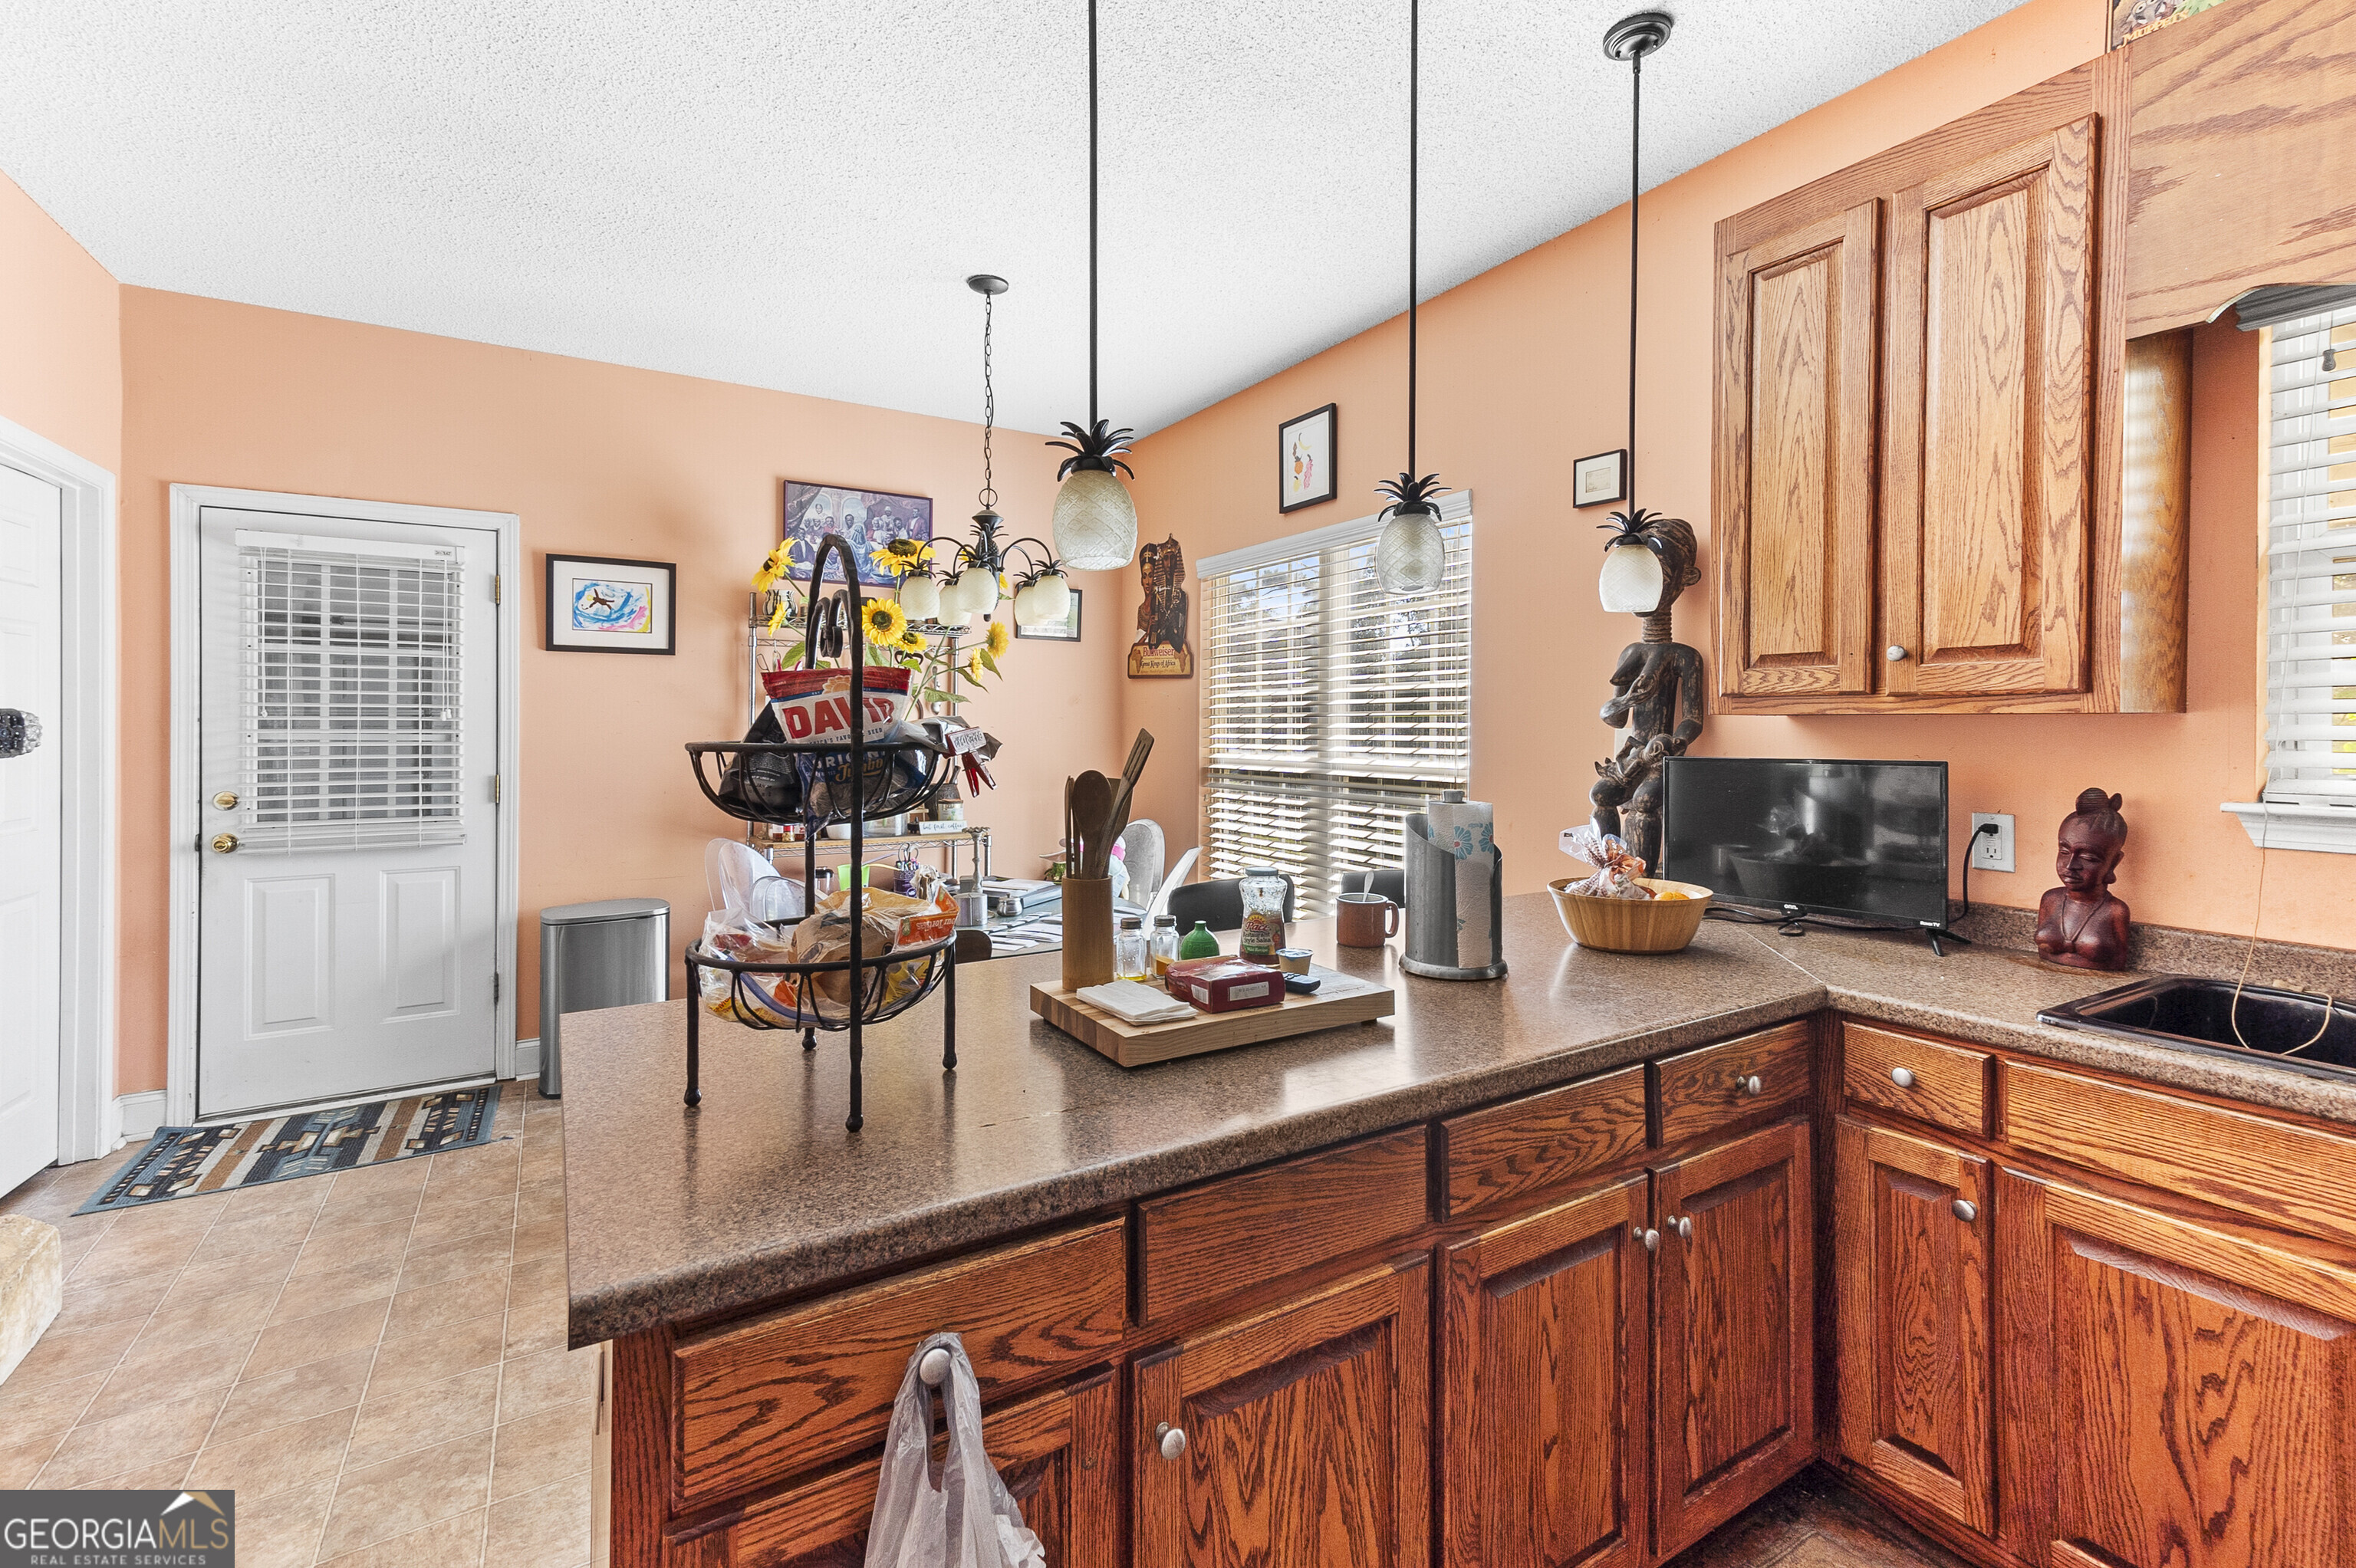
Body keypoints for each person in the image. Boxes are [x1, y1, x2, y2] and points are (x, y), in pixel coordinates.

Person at [2035, 788, 2131, 970]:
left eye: (2088, 858)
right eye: (2064, 852)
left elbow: (2118, 962)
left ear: (2114, 863)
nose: (2071, 866)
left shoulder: (2115, 911)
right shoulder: (2050, 900)